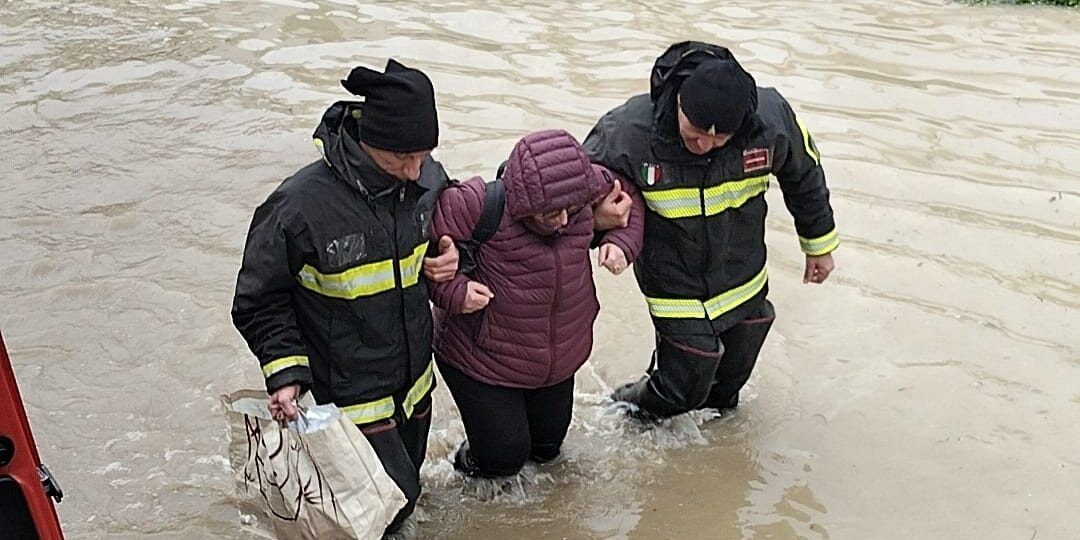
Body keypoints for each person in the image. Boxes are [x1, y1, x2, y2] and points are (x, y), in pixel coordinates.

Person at [231, 59, 460, 534]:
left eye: (424, 155)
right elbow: (259, 300)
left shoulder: (425, 178)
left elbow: (453, 221)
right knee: (391, 505)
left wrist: (452, 254)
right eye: (404, 158)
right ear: (370, 141)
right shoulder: (299, 205)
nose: (416, 171)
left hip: (414, 387)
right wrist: (285, 374)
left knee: (404, 495)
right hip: (349, 398)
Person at [583, 41, 839, 420]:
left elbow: (805, 174)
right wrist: (598, 222)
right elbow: (564, 194)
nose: (704, 145)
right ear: (679, 103)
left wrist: (818, 245)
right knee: (682, 389)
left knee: (725, 392)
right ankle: (623, 409)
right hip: (675, 286)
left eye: (719, 139)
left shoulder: (770, 121)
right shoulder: (626, 132)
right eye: (695, 132)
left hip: (744, 278)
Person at [429, 129, 644, 477]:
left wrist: (622, 242)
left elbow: (629, 196)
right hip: (481, 356)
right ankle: (464, 468)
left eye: (571, 211)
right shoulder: (475, 204)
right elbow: (419, 255)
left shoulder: (586, 186)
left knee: (547, 450)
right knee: (503, 461)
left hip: (558, 356)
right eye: (550, 214)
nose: (562, 222)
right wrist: (455, 292)